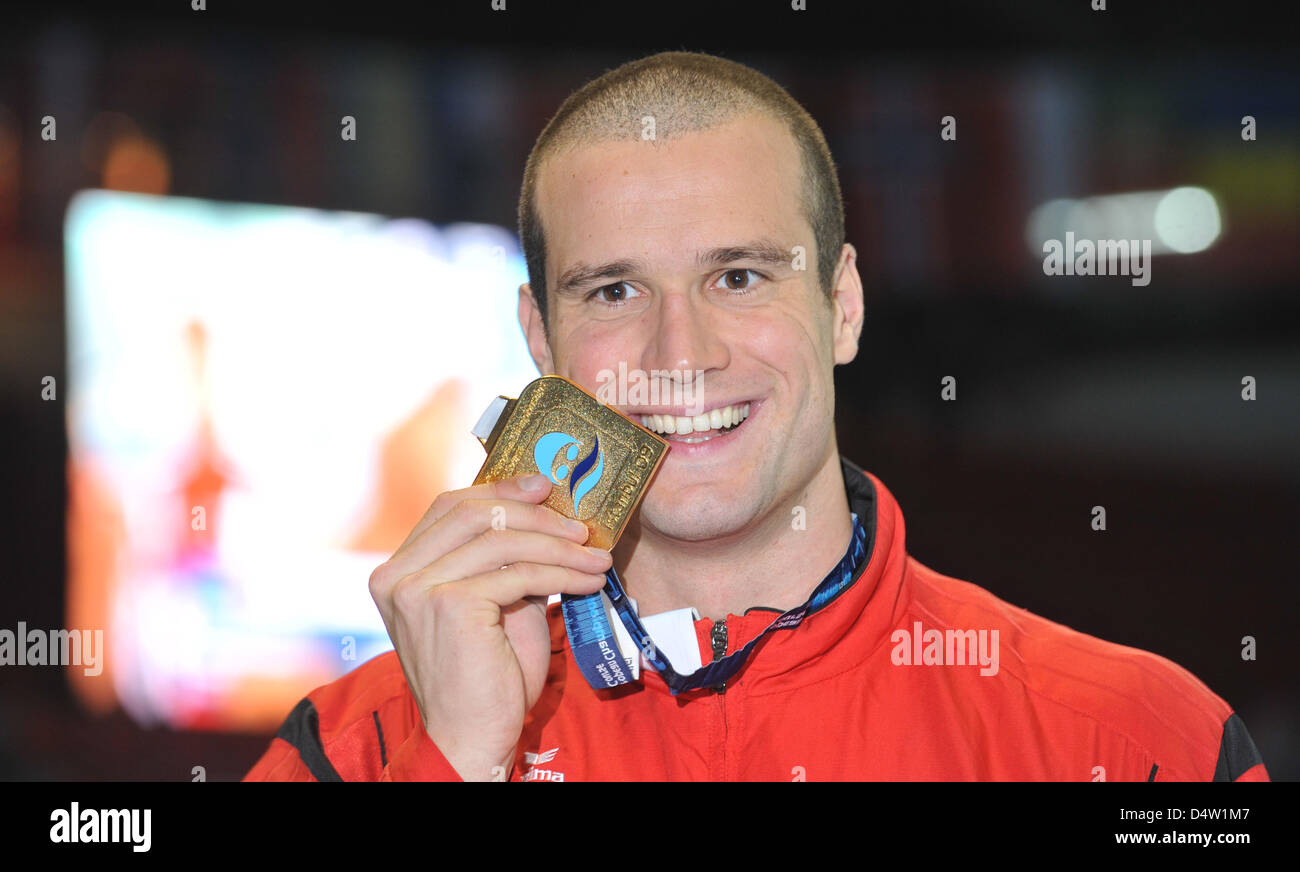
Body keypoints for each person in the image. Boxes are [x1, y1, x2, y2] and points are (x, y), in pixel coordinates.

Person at [244, 51, 1268, 782]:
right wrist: (456, 761)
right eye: (612, 292)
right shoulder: (355, 746)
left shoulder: (1136, 741)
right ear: (541, 341)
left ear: (845, 305)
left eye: (737, 275)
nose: (679, 354)